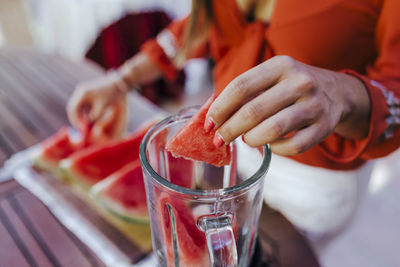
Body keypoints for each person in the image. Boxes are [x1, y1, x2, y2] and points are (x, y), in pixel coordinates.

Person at [67, 0, 400, 255]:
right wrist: (121, 80)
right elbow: (200, 25)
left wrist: (342, 94)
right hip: (233, 160)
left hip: (313, 184)